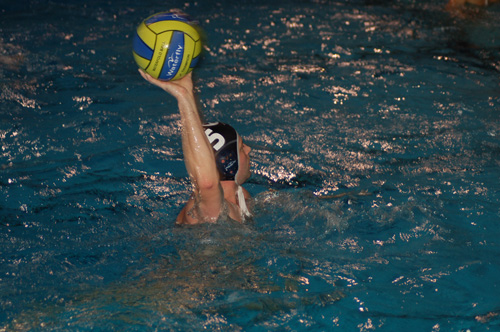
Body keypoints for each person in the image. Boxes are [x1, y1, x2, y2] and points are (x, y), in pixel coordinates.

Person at [139, 70, 252, 224]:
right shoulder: (210, 209)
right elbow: (207, 184)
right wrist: (184, 96)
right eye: (241, 148)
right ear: (229, 162)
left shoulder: (241, 195)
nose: (248, 150)